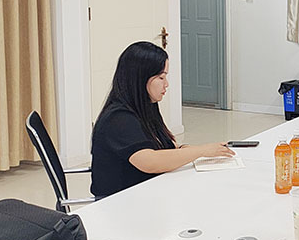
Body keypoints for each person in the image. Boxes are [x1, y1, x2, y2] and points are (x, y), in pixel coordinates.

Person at [90, 41, 234, 198]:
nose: (166, 84)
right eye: (161, 78)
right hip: (121, 201)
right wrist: (201, 151)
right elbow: (150, 162)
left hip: (148, 191)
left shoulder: (146, 105)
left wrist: (192, 150)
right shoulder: (118, 119)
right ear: (140, 78)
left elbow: (163, 144)